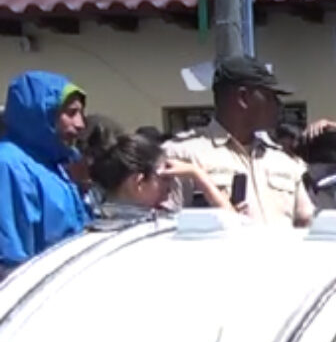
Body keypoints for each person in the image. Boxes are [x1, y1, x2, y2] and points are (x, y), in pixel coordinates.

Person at [164, 56, 315, 228]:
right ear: (243, 98)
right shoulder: (183, 155)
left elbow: (306, 222)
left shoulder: (283, 160)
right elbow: (165, 227)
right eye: (271, 96)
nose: (279, 105)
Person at [0, 71, 90, 277]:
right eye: (70, 113)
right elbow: (11, 257)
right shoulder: (8, 164)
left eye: (81, 113)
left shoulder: (55, 163)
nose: (80, 124)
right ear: (40, 114)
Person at [87, 132, 234, 219]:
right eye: (165, 178)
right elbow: (234, 225)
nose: (170, 189)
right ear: (139, 183)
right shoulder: (153, 228)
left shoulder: (94, 221)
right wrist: (197, 174)